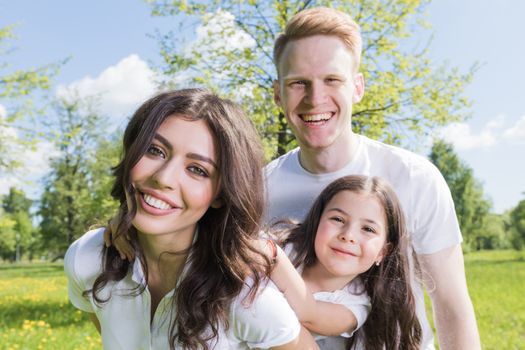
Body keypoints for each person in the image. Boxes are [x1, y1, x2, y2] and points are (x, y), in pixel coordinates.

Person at [266, 7, 480, 350]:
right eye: (298, 83)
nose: (315, 98)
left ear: (358, 87)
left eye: (332, 80)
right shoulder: (260, 188)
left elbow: (452, 307)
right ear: (277, 93)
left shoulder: (414, 177)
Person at [64, 89, 319, 350]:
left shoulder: (246, 297)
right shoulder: (87, 258)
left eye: (197, 170)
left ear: (221, 194)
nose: (163, 178)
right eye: (154, 150)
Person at [268, 175, 422, 349]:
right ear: (317, 221)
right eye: (338, 219)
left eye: (368, 229)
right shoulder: (287, 248)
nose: (348, 235)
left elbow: (307, 313)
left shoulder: (356, 304)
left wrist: (272, 256)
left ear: (382, 252)